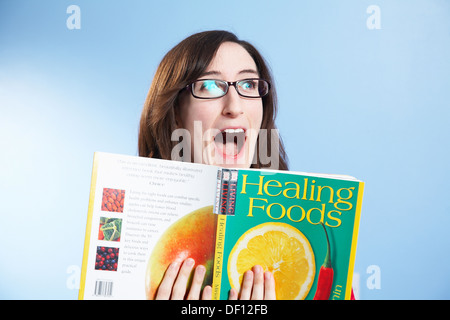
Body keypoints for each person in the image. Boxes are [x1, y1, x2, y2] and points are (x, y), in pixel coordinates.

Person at [138, 30, 289, 300]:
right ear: (175, 112)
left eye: (248, 85)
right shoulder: (136, 232)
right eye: (209, 86)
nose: (235, 106)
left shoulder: (296, 237)